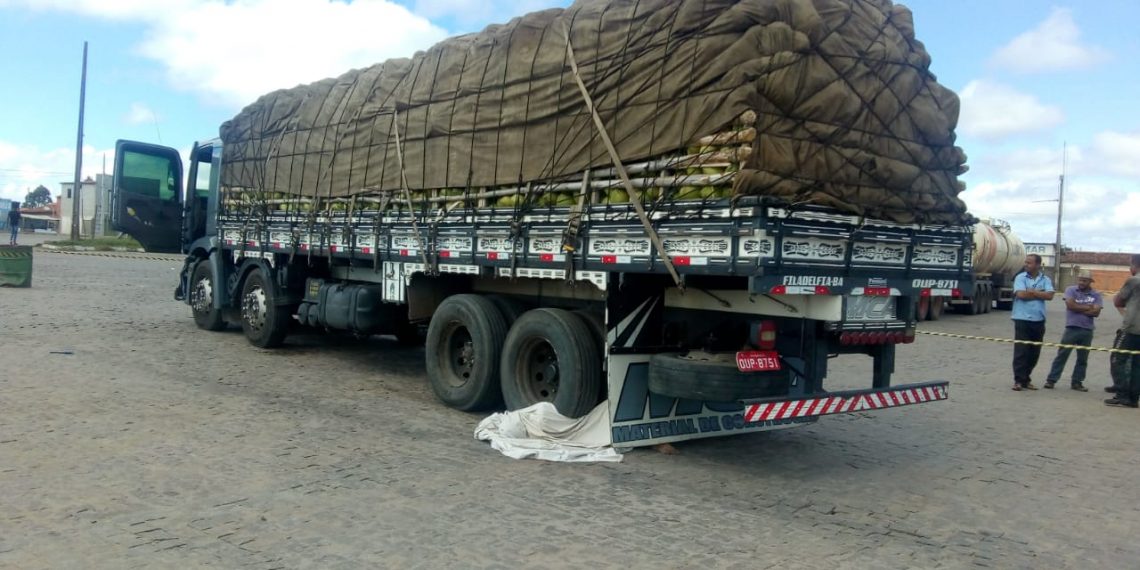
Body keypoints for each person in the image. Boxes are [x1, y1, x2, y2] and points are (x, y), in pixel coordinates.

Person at [1044, 269, 1101, 391]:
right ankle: (1051, 380)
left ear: (1090, 282)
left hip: (1087, 330)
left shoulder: (1096, 294)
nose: (1081, 282)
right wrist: (1087, 308)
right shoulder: (1070, 290)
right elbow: (1070, 306)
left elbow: (1096, 312)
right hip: (1072, 328)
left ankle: (1077, 382)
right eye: (1080, 279)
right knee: (1062, 355)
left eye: (1085, 280)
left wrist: (1078, 307)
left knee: (1082, 358)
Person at [1011, 254, 1055, 391]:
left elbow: (1050, 296)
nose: (1026, 264)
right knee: (1021, 351)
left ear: (1037, 265)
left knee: (1034, 352)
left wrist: (1032, 292)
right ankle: (1018, 380)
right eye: (1026, 262)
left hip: (1039, 320)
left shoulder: (1045, 279)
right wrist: (1039, 293)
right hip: (1022, 319)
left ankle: (1026, 379)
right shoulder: (1020, 277)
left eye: (1029, 263)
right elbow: (1021, 295)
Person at [1105, 254, 1140, 408]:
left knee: (1117, 359)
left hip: (1131, 328)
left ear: (1135, 265)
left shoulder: (1134, 280)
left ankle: (1122, 394)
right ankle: (1133, 399)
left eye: (1130, 264)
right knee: (1137, 365)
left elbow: (1118, 300)